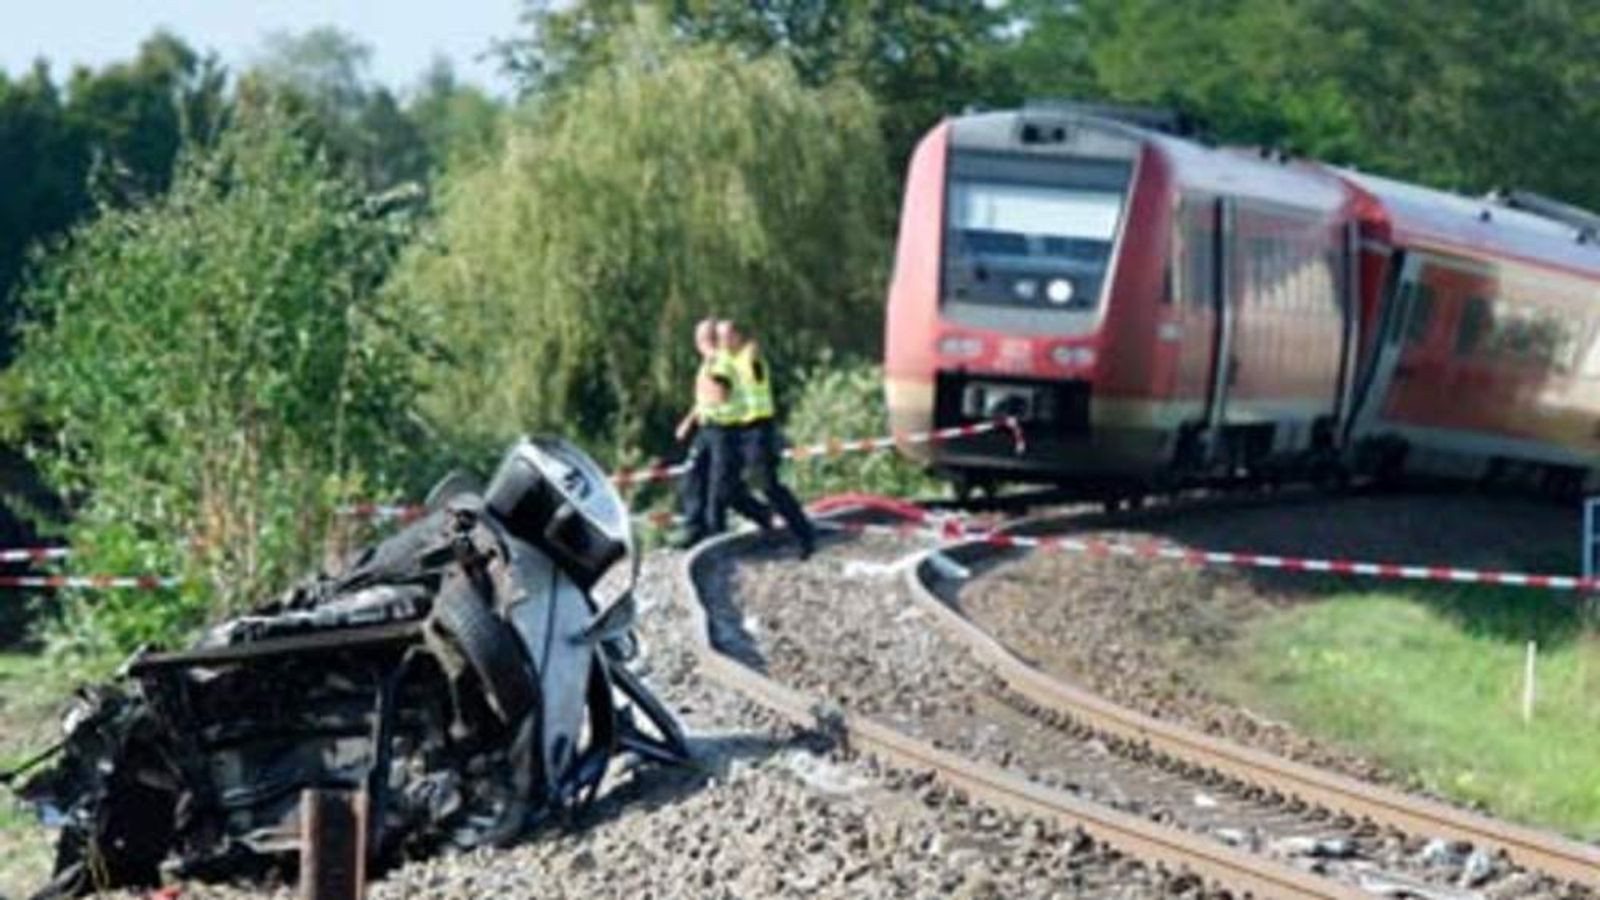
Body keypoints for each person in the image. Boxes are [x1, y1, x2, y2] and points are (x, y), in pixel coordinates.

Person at [715, 319, 816, 559]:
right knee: (724, 489)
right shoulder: (723, 360)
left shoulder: (750, 356)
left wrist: (750, 354)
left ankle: (804, 533)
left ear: (738, 336)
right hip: (731, 429)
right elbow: (718, 389)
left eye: (728, 336)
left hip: (757, 427)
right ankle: (764, 516)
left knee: (767, 484)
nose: (724, 342)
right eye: (720, 338)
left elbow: (740, 377)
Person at [674, 319, 769, 548]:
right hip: (708, 426)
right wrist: (689, 421)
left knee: (723, 486)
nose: (700, 343)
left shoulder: (721, 362)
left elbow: (720, 395)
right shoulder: (711, 362)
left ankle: (720, 529)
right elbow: (704, 399)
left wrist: (711, 370)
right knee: (694, 475)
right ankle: (696, 527)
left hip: (726, 428)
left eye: (703, 338)